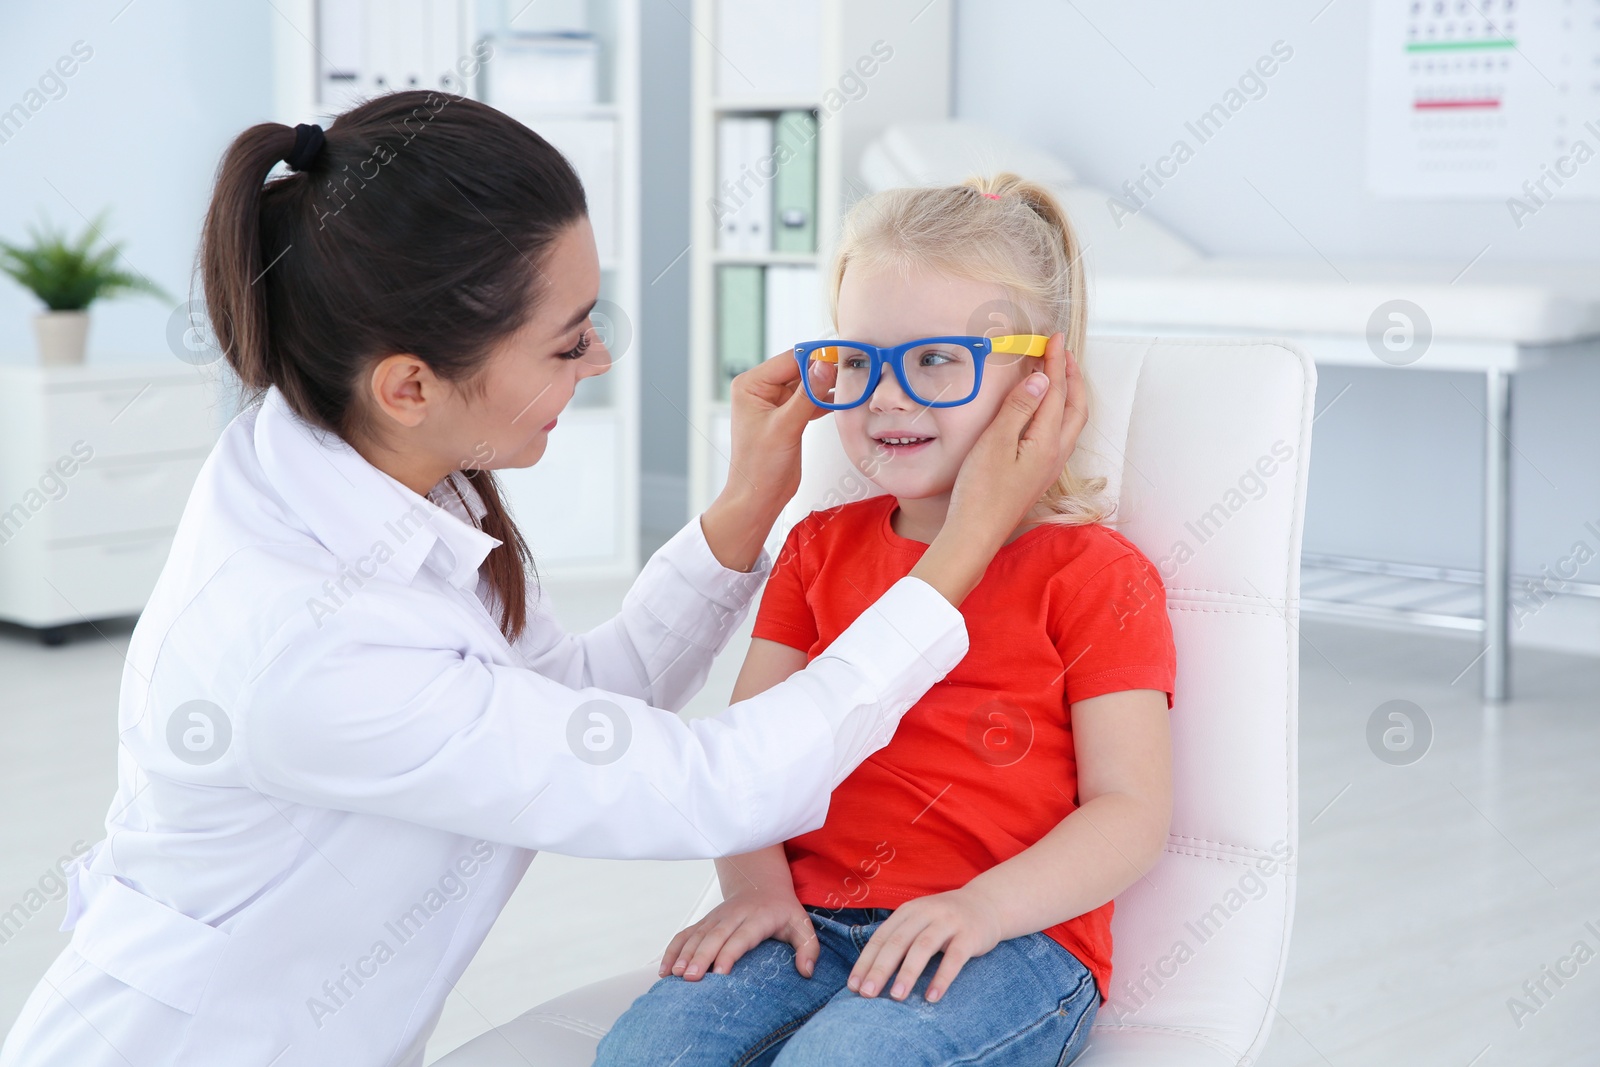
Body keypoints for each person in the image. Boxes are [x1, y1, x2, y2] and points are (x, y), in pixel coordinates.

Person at [0, 94, 1086, 1067]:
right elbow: (715, 782)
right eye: (568, 343)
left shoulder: (376, 462)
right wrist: (961, 550)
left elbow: (576, 706)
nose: (601, 361)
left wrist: (740, 512)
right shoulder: (306, 644)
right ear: (412, 384)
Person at [594, 175, 1177, 1067]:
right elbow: (747, 751)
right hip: (809, 923)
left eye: (937, 359)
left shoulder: (1094, 574)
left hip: (1005, 944)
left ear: (1039, 376)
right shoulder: (816, 548)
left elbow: (1130, 811)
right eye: (859, 361)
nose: (887, 396)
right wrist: (751, 888)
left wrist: (983, 908)